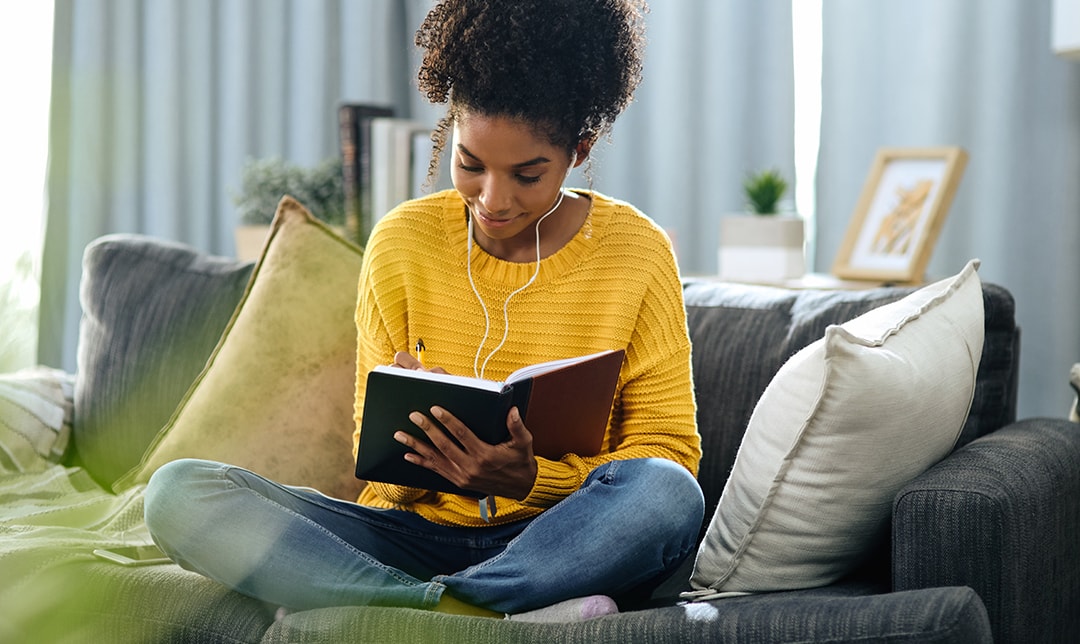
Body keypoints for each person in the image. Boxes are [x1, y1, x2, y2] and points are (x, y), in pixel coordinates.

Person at [144, 0, 703, 621]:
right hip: (407, 540)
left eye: (526, 174)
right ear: (451, 133)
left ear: (578, 150)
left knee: (667, 494)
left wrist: (529, 479)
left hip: (560, 541)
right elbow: (375, 467)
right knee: (180, 492)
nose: (493, 199)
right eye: (471, 164)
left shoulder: (636, 251)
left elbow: (669, 451)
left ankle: (393, 612)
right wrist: (419, 442)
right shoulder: (403, 242)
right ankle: (457, 612)